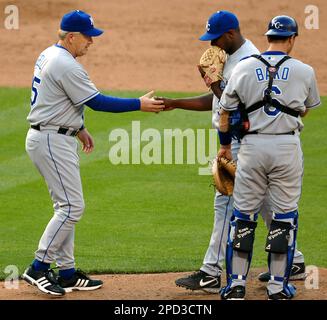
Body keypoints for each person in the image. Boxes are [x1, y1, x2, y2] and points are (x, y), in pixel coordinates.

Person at [162, 11, 306, 294]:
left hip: (240, 142)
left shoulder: (248, 61)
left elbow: (235, 105)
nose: (211, 44)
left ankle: (211, 272)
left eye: (214, 39)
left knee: (225, 202)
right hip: (243, 142)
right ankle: (296, 261)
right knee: (263, 199)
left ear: (230, 34)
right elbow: (216, 102)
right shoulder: (231, 57)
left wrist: (212, 82)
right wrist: (176, 102)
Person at [22, 10, 164, 296]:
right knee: (72, 208)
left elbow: (57, 98)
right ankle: (38, 268)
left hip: (52, 134)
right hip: (50, 140)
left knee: (65, 206)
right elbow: (98, 102)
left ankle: (67, 272)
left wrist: (78, 128)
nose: (91, 41)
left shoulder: (49, 53)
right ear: (72, 37)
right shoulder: (66, 65)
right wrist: (138, 104)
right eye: (88, 36)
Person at [218, 15, 320, 300]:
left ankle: (236, 285)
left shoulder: (244, 67)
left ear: (268, 37)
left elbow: (224, 114)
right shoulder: (305, 70)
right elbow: (306, 109)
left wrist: (225, 147)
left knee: (244, 215)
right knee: (284, 217)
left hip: (251, 149)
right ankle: (277, 287)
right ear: (292, 39)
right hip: (286, 149)